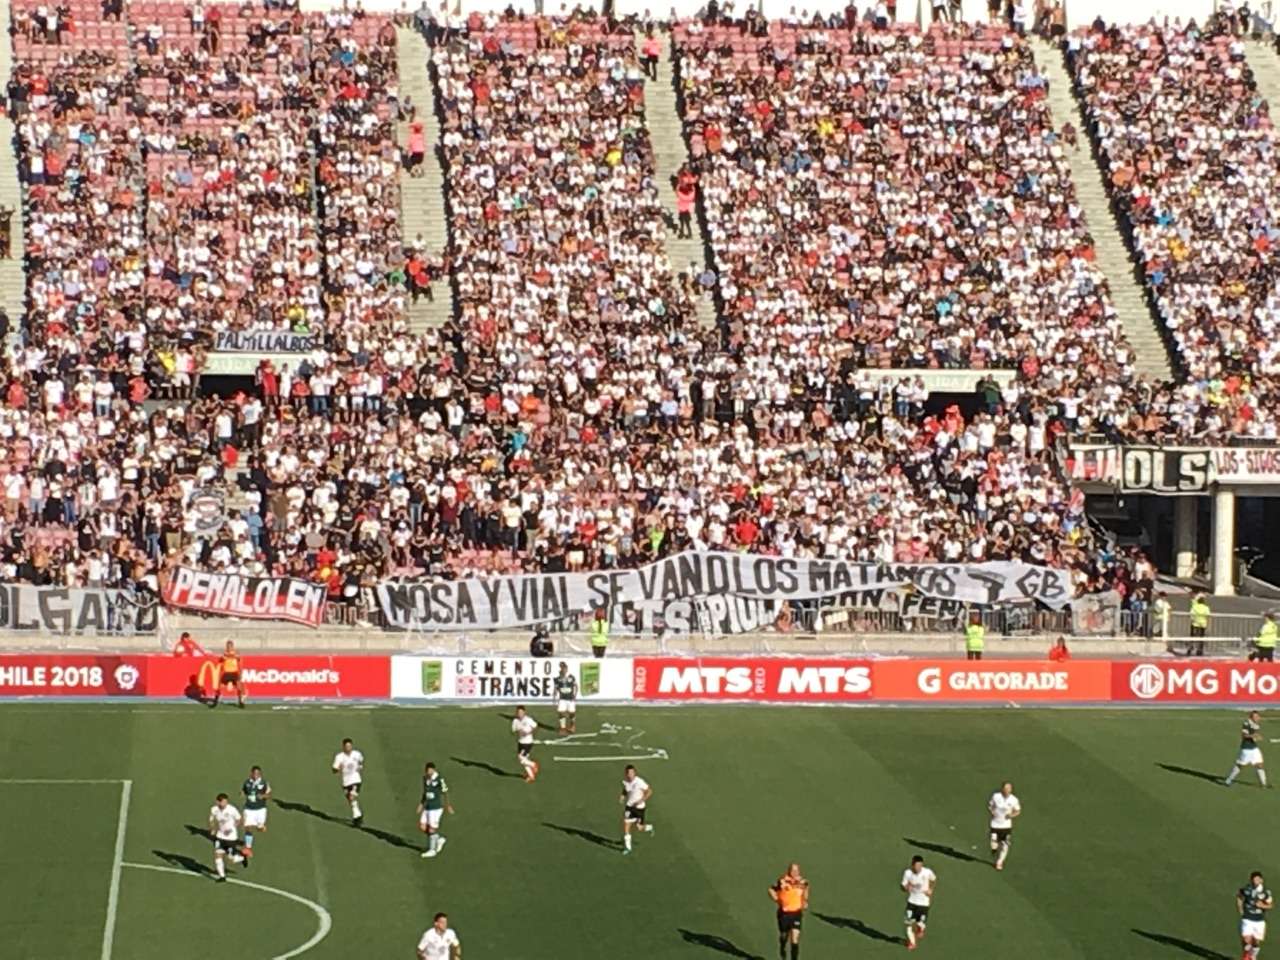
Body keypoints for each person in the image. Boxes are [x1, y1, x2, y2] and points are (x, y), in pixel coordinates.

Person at [769, 862, 808, 960]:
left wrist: (804, 901)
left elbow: (805, 891)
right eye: (792, 870)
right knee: (784, 936)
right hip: (784, 914)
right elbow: (771, 889)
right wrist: (777, 899)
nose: (794, 872)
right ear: (789, 871)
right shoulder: (783, 881)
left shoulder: (803, 882)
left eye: (796, 870)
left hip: (796, 913)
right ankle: (782, 947)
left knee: (795, 939)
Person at [900, 854, 937, 951]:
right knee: (908, 924)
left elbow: (933, 879)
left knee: (919, 923)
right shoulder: (907, 873)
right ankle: (912, 943)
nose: (918, 868)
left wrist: (931, 889)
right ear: (912, 865)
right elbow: (903, 886)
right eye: (917, 866)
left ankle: (921, 927)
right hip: (911, 902)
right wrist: (906, 888)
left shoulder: (927, 872)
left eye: (920, 866)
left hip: (923, 903)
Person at [417, 762, 454, 859]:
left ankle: (432, 850)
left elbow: (445, 791)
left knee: (432, 829)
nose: (429, 772)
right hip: (427, 806)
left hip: (436, 808)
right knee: (422, 826)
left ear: (433, 770)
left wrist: (448, 805)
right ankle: (438, 839)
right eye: (427, 770)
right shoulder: (425, 778)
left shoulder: (439, 779)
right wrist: (421, 804)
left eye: (430, 770)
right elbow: (425, 792)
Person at [1225, 711, 1269, 788]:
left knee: (1260, 764)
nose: (1258, 718)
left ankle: (1264, 784)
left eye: (1258, 716)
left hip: (1254, 748)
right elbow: (1244, 735)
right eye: (1255, 717)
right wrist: (1253, 736)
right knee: (1240, 765)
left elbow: (1254, 737)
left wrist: (1256, 738)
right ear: (1251, 717)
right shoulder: (1246, 724)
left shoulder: (1257, 725)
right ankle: (1228, 780)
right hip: (1246, 749)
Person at [208, 793, 245, 881]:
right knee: (218, 854)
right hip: (220, 836)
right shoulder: (214, 809)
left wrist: (233, 827)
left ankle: (242, 857)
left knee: (231, 859)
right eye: (223, 802)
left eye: (226, 802)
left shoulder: (232, 809)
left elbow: (239, 819)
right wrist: (213, 828)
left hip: (231, 838)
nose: (225, 804)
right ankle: (222, 876)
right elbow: (211, 819)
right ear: (218, 802)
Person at [620, 763, 654, 855]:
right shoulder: (626, 781)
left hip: (639, 808)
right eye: (628, 773)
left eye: (631, 773)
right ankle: (628, 847)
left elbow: (649, 791)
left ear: (634, 773)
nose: (630, 775)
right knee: (626, 824)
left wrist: (641, 800)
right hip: (629, 807)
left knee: (639, 828)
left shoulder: (639, 782)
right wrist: (623, 796)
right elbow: (626, 789)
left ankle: (649, 827)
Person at [987, 781, 1021, 871]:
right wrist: (992, 811)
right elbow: (990, 805)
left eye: (1009, 789)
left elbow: (1017, 811)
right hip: (995, 823)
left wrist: (1011, 815)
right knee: (993, 841)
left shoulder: (1014, 800)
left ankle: (1000, 862)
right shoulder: (996, 796)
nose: (1007, 790)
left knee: (1005, 844)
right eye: (1005, 789)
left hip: (1006, 825)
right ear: (1002, 789)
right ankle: (994, 848)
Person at [1241, 871, 1275, 960]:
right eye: (1254, 879)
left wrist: (1262, 905)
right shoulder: (1247, 889)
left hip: (1259, 921)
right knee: (1246, 940)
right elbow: (1239, 896)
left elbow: (1271, 905)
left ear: (1261, 880)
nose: (1255, 881)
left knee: (1256, 942)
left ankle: (1253, 955)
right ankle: (1246, 956)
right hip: (1247, 918)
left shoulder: (1266, 892)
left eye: (1257, 879)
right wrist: (1241, 909)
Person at [332, 738, 365, 825]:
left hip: (356, 780)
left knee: (351, 797)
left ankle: (357, 818)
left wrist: (360, 766)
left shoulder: (357, 754)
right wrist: (338, 768)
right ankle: (358, 816)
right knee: (351, 801)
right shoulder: (339, 757)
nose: (348, 748)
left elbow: (361, 761)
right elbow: (334, 769)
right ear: (343, 747)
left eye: (350, 746)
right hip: (346, 782)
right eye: (346, 746)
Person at [241, 765, 271, 857]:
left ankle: (261, 826)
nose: (256, 775)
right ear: (251, 773)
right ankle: (248, 848)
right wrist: (242, 793)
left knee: (260, 828)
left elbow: (269, 795)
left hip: (260, 809)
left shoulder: (264, 783)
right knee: (248, 827)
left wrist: (263, 796)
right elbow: (244, 790)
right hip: (249, 808)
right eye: (254, 773)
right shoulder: (247, 782)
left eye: (258, 773)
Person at [210, 639, 245, 709]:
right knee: (219, 688)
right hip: (226, 673)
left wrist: (230, 656)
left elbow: (238, 658)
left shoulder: (236, 653)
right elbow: (221, 659)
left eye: (230, 646)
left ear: (232, 647)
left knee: (239, 688)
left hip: (234, 672)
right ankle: (215, 702)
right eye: (227, 646)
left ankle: (240, 702)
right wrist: (226, 657)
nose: (228, 648)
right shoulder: (224, 653)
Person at [511, 705, 539, 782]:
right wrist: (519, 731)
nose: (520, 714)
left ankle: (533, 765)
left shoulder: (528, 720)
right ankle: (531, 776)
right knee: (524, 759)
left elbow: (535, 726)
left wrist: (529, 732)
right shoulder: (515, 721)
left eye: (521, 712)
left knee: (521, 758)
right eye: (518, 712)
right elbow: (513, 731)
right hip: (520, 742)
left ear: (524, 712)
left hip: (528, 742)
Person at [554, 662, 578, 734]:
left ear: (566, 669)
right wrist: (555, 696)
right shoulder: (557, 679)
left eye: (564, 668)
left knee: (572, 713)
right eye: (562, 668)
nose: (563, 669)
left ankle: (572, 725)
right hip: (562, 698)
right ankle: (563, 728)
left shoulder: (571, 677)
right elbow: (556, 688)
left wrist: (575, 695)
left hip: (570, 698)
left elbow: (576, 686)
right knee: (561, 712)